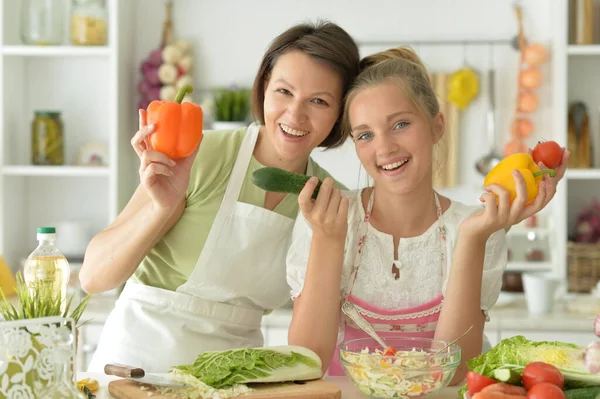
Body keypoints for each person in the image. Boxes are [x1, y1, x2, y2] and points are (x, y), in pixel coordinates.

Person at [80, 20, 360, 372]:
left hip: (234, 376)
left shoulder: (327, 203)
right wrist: (160, 207)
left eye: (318, 101)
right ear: (263, 88)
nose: (295, 114)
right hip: (137, 363)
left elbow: (314, 352)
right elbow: (93, 277)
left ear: (339, 115)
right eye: (284, 92)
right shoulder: (201, 153)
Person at [285, 46, 569, 384]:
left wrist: (474, 239)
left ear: (437, 126)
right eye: (365, 135)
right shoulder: (326, 218)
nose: (385, 148)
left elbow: (454, 375)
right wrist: (329, 240)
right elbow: (306, 362)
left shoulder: (474, 228)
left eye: (401, 124)